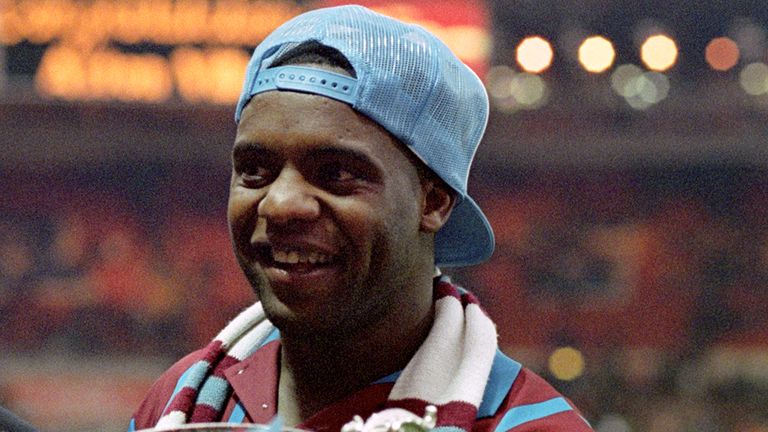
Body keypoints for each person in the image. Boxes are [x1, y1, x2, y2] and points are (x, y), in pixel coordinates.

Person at [129, 5, 593, 432]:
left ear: (433, 201)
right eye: (254, 170)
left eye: (336, 173)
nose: (280, 205)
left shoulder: (531, 423)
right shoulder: (174, 403)